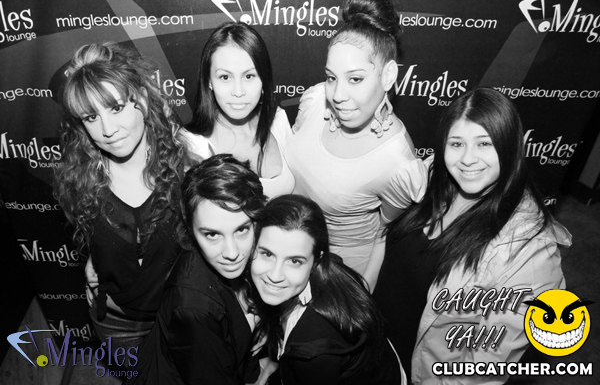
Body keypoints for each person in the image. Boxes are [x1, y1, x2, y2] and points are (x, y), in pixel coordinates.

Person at [373, 88, 571, 384]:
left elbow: (481, 370)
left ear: (510, 147)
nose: (467, 159)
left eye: (484, 143)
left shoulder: (530, 253)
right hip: (372, 350)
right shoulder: (432, 175)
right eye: (456, 143)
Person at [285, 0, 427, 283]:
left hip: (339, 270)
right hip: (288, 246)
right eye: (332, 77)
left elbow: (383, 235)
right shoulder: (315, 101)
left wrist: (362, 289)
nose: (338, 95)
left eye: (355, 79)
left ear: (388, 76)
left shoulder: (398, 162)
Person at [54, 42, 187, 349]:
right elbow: (97, 241)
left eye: (116, 108)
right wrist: (96, 259)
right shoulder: (80, 179)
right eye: (91, 117)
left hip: (181, 318)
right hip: (116, 325)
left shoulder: (185, 168)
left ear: (142, 99)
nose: (107, 129)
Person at [130, 154, 267, 385]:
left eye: (241, 230)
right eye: (212, 234)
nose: (232, 253)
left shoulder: (254, 253)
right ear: (190, 228)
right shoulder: (193, 307)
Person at [249, 194, 404, 385]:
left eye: (295, 261)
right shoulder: (331, 271)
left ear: (317, 261)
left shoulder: (314, 349)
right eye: (267, 254)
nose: (275, 275)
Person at [182, 22, 294, 198]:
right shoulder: (192, 146)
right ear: (209, 81)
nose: (238, 91)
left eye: (249, 76)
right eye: (225, 77)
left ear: (263, 78)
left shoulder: (277, 120)